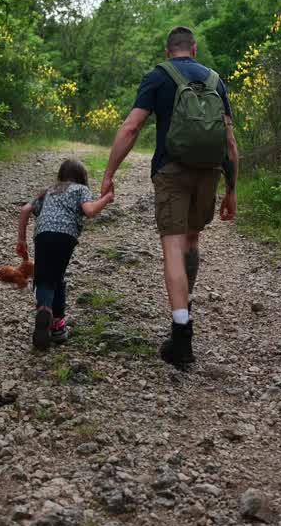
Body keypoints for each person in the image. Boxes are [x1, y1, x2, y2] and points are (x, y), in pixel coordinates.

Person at [99, 26, 238, 368]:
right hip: (209, 172)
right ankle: (186, 301)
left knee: (172, 249)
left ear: (167, 51)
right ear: (194, 48)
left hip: (171, 172)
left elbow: (131, 127)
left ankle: (181, 337)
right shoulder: (214, 80)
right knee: (192, 240)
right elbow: (231, 145)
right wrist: (232, 189)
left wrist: (109, 173)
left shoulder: (158, 77)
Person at [16, 159, 115, 350]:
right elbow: (90, 211)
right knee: (57, 277)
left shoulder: (49, 191)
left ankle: (44, 308)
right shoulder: (80, 189)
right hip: (66, 236)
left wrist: (21, 240)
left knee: (44, 278)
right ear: (82, 177)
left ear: (60, 175)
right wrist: (107, 198)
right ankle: (58, 326)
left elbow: (26, 209)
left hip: (43, 235)